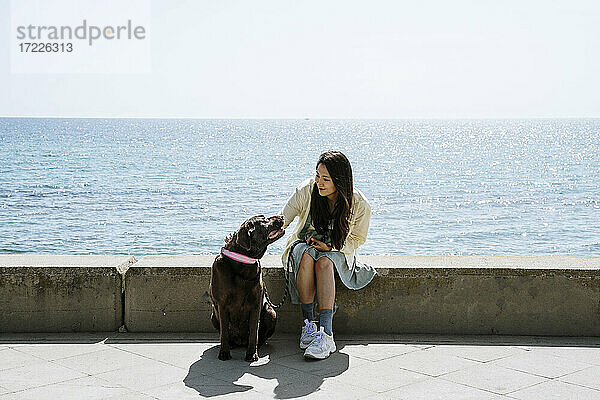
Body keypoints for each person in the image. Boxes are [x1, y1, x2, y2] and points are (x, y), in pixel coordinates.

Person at [279, 151, 376, 360]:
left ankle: (326, 334)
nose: (319, 182)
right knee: (306, 256)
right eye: (317, 176)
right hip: (305, 245)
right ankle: (308, 326)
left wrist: (330, 247)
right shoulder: (306, 191)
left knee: (324, 262)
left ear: (339, 181)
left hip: (338, 250)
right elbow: (281, 221)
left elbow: (357, 239)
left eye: (326, 179)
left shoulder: (359, 204)